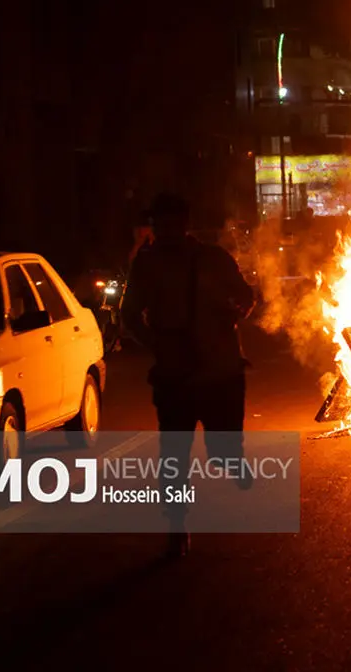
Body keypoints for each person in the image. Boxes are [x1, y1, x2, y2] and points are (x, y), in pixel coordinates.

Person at [121, 193, 256, 558]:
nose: (166, 231)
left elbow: (245, 296)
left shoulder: (214, 258)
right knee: (174, 455)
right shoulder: (146, 266)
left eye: (172, 223)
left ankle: (232, 460)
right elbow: (129, 315)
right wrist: (159, 344)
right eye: (159, 224)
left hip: (220, 370)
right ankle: (176, 525)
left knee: (222, 449)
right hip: (175, 375)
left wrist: (235, 308)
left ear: (185, 224)